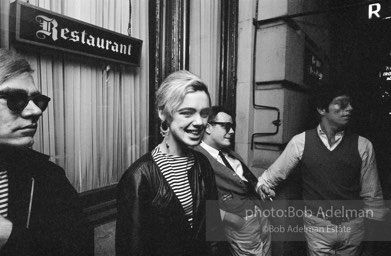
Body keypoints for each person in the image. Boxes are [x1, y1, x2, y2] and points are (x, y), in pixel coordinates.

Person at [256, 84, 388, 255]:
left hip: (353, 228)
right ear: (321, 109)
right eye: (342, 104)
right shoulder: (301, 142)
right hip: (317, 228)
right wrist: (262, 187)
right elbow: (266, 179)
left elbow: (373, 198)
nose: (350, 109)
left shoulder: (363, 145)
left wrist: (370, 247)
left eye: (350, 104)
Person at [116, 70, 227, 256]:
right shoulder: (138, 176)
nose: (199, 122)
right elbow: (132, 249)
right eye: (187, 113)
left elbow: (214, 232)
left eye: (204, 113)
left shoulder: (202, 164)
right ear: (163, 113)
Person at [0, 49, 91, 255]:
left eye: (38, 100)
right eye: (16, 98)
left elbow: (79, 248)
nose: (36, 111)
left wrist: (10, 236)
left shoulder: (47, 177)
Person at [195, 106, 271, 256]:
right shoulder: (197, 158)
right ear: (209, 127)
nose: (232, 131)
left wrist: (259, 188)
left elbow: (247, 179)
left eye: (232, 127)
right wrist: (230, 218)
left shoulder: (230, 153)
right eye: (226, 126)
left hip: (259, 214)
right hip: (240, 223)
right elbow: (195, 202)